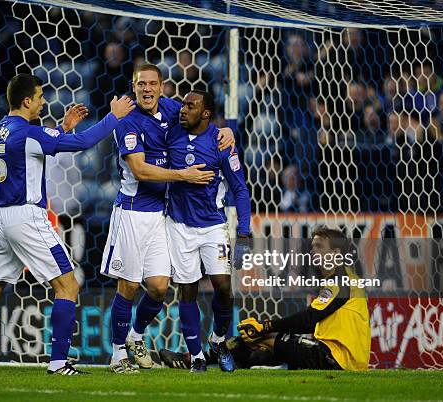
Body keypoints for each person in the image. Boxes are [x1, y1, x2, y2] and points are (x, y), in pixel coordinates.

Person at [0, 73, 135, 376]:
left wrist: (62, 128)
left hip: (0, 218)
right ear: (26, 100)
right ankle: (58, 362)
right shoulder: (28, 132)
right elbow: (81, 143)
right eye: (40, 96)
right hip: (26, 216)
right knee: (68, 285)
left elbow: (35, 148)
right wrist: (113, 117)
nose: (44, 101)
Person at [100, 63, 235, 373]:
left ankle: (134, 337)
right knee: (129, 285)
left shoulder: (173, 109)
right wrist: (182, 175)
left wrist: (225, 131)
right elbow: (140, 169)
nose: (147, 89)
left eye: (152, 84)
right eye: (140, 84)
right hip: (133, 212)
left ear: (161, 87)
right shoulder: (127, 121)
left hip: (161, 214)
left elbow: (202, 119)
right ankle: (118, 355)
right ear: (133, 88)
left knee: (160, 287)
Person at [165, 90, 251, 373]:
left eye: (190, 106)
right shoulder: (172, 131)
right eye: (182, 104)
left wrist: (244, 233)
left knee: (224, 288)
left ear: (205, 114)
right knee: (186, 290)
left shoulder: (221, 142)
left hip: (214, 226)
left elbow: (239, 189)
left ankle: (217, 340)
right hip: (178, 225)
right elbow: (151, 102)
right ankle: (197, 356)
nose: (183, 109)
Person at [236, 227, 370, 371]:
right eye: (312, 247)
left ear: (336, 253)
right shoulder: (341, 280)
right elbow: (309, 324)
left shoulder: (341, 282)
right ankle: (238, 360)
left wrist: (265, 326)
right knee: (267, 346)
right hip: (343, 358)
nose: (313, 251)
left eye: (319, 246)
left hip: (338, 358)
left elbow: (309, 318)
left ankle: (222, 354)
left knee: (264, 339)